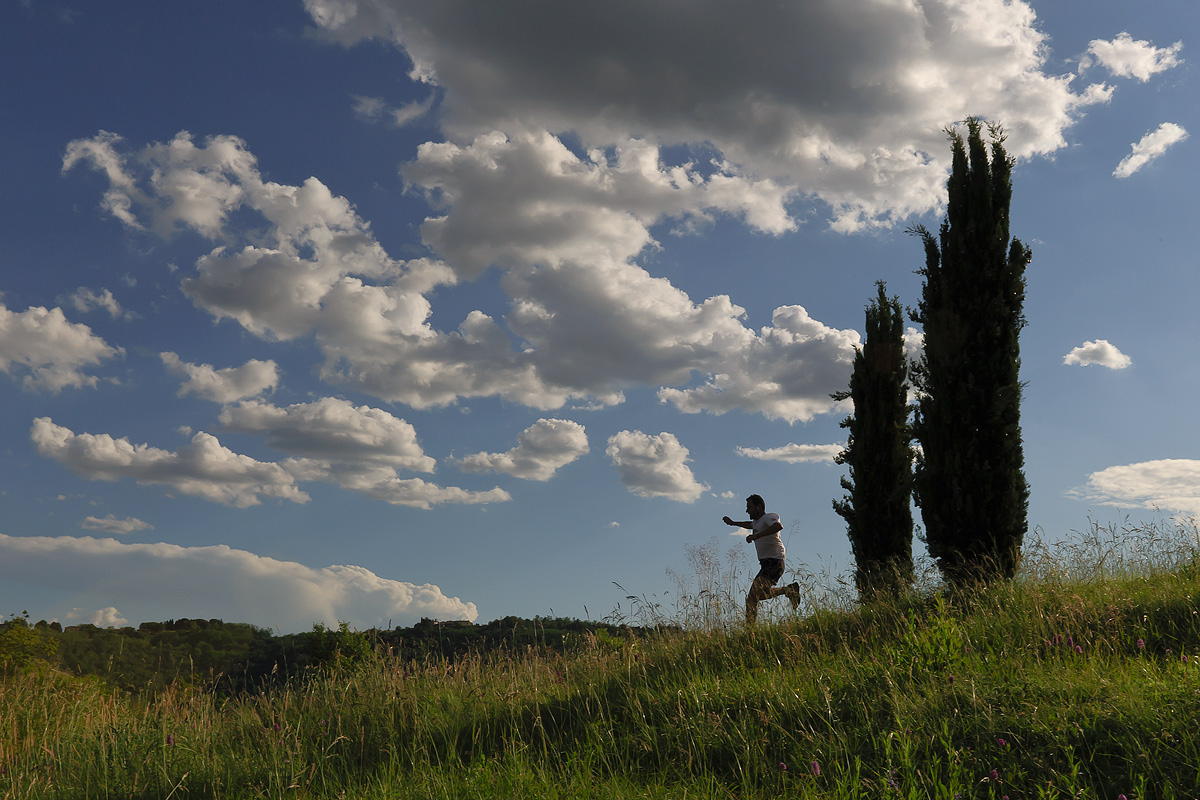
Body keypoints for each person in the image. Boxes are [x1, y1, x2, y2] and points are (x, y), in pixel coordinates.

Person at [723, 494, 800, 624]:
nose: (747, 510)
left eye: (749, 507)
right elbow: (750, 524)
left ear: (758, 507)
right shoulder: (756, 523)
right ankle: (788, 590)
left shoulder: (769, 517)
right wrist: (733, 523)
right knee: (759, 595)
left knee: (751, 599)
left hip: (774, 562)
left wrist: (756, 536)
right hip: (766, 564)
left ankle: (750, 634)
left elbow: (778, 526)